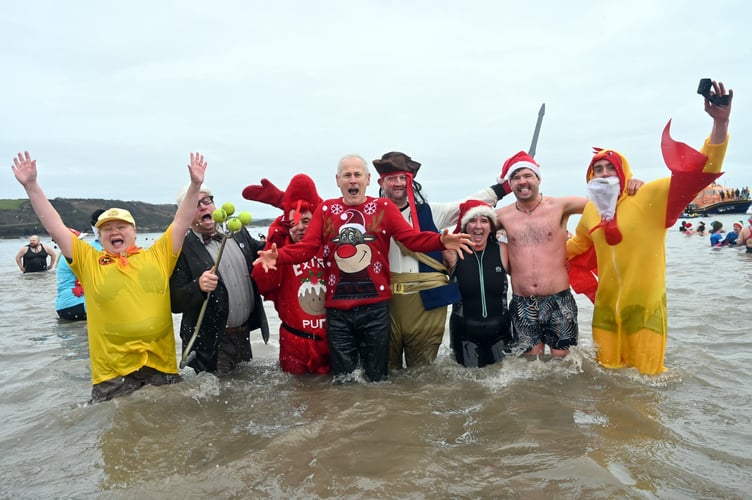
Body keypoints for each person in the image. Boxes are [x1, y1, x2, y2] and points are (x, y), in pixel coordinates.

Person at [253, 154, 473, 382]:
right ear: (338, 180)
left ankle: (376, 415)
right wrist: (279, 256)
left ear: (368, 179)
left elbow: (411, 239)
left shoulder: (383, 207)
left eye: (357, 174)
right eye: (347, 175)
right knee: (343, 380)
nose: (352, 180)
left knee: (377, 380)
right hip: (338, 314)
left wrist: (440, 241)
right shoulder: (326, 210)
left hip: (376, 310)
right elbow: (308, 247)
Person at [11, 150, 207, 402]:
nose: (114, 231)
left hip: (161, 365)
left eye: (121, 227)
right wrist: (32, 186)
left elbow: (181, 222)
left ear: (133, 232)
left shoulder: (158, 255)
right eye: (107, 229)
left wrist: (195, 185)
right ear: (100, 237)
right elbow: (56, 227)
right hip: (113, 373)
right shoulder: (88, 261)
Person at [567, 80, 733, 375]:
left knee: (647, 387)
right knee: (607, 385)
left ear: (623, 171)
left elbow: (701, 172)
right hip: (605, 314)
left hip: (644, 310)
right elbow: (572, 249)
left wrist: (721, 125)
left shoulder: (648, 197)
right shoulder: (591, 212)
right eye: (597, 170)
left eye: (609, 168)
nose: (603, 174)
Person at [372, 151, 509, 370]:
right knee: (387, 373)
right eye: (392, 178)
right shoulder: (370, 216)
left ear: (411, 181)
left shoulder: (431, 212)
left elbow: (466, 204)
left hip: (426, 302)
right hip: (386, 302)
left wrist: (503, 187)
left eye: (403, 178)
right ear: (381, 182)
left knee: (423, 373)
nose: (398, 183)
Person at [494, 151, 588, 358]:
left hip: (559, 301)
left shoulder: (560, 206)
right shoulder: (502, 216)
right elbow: (470, 222)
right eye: (516, 178)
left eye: (527, 176)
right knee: (529, 367)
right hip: (522, 302)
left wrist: (631, 186)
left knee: (562, 364)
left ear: (538, 178)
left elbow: (604, 204)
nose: (522, 181)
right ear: (510, 184)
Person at [169, 185, 269, 375]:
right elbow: (174, 301)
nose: (204, 207)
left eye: (207, 201)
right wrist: (198, 286)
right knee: (216, 399)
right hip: (210, 342)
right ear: (186, 214)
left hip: (243, 335)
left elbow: (261, 251)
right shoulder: (181, 247)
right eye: (196, 204)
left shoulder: (237, 232)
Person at [245, 174, 330, 374]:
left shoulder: (331, 248)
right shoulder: (277, 253)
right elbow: (264, 285)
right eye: (293, 223)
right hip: (294, 343)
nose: (300, 227)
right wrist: (275, 243)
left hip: (331, 341)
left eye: (306, 221)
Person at [443, 200, 512, 367]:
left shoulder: (503, 249)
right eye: (472, 220)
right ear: (464, 226)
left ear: (491, 226)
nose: (478, 226)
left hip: (500, 331)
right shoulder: (451, 253)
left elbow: (527, 275)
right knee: (469, 386)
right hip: (464, 333)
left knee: (504, 386)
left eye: (484, 220)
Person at [55, 210, 105, 321]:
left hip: (64, 306)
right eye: (80, 240)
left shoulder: (64, 255)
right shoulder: (90, 250)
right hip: (79, 304)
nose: (83, 241)